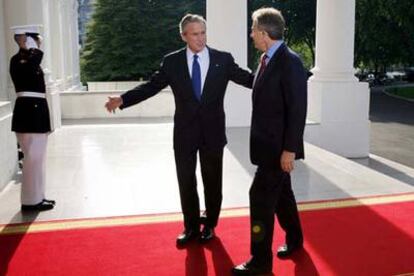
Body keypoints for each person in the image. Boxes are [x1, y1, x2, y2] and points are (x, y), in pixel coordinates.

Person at [105, 14, 253, 246]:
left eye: (203, 32)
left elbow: (248, 79)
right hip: (184, 133)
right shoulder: (172, 62)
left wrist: (283, 79)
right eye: (195, 34)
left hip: (212, 133)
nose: (200, 38)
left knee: (212, 181)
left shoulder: (222, 60)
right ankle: (191, 226)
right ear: (184, 35)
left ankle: (210, 224)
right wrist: (123, 99)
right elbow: (151, 87)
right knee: (186, 181)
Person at [232, 7, 307, 275]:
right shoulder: (267, 59)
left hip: (278, 150)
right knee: (283, 196)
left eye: (253, 29)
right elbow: (259, 86)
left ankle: (260, 262)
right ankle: (296, 240)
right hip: (267, 149)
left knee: (260, 199)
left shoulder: (290, 62)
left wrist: (289, 150)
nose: (251, 34)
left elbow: (297, 110)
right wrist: (230, 71)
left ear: (264, 33)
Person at [9, 25, 55, 212]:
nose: (38, 43)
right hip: (28, 114)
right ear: (24, 40)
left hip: (36, 113)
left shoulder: (28, 59)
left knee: (38, 159)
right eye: (34, 39)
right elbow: (34, 60)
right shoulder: (19, 60)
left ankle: (38, 197)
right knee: (32, 159)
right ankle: (30, 201)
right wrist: (30, 47)